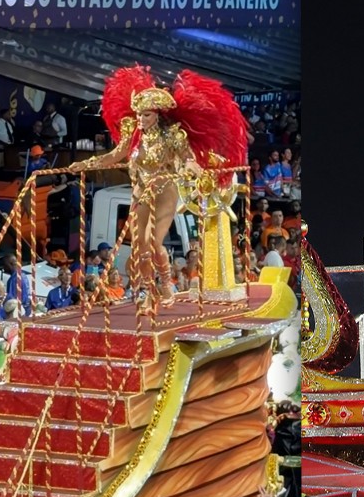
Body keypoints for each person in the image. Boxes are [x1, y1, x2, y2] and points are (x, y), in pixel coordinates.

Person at [70, 65, 245, 312]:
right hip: (140, 193)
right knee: (139, 245)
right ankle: (144, 291)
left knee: (152, 242)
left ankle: (165, 284)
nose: (141, 120)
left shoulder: (173, 136)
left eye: (146, 115)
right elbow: (114, 155)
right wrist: (85, 164)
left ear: (158, 115)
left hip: (164, 191)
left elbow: (188, 160)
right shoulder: (133, 132)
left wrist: (199, 173)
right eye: (139, 115)